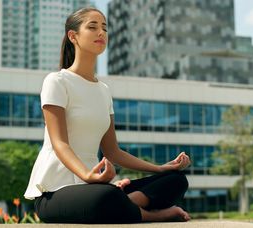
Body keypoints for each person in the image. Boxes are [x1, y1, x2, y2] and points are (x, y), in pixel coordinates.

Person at [24, 7, 191, 224]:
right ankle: (154, 214)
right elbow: (60, 144)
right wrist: (89, 177)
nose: (101, 33)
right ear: (73, 36)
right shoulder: (56, 81)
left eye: (104, 27)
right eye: (92, 27)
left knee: (176, 180)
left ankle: (123, 202)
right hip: (55, 193)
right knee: (106, 196)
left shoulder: (103, 90)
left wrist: (160, 168)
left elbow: (112, 151)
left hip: (94, 187)